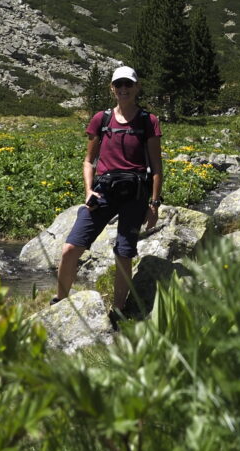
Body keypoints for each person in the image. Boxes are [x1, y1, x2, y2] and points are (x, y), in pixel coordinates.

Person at [54, 65, 163, 324]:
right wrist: (89, 190)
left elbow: (157, 166)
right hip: (103, 192)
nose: (123, 89)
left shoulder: (149, 121)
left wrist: (154, 203)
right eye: (119, 85)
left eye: (128, 84)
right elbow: (89, 161)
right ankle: (59, 303)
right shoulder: (101, 119)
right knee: (71, 248)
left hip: (135, 195)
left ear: (137, 87)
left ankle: (117, 311)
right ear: (112, 88)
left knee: (124, 253)